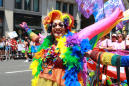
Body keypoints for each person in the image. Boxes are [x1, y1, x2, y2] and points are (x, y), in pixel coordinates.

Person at [19, 8, 124, 86]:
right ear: (51, 28)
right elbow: (36, 38)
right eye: (54, 25)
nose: (57, 27)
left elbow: (91, 53)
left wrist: (120, 60)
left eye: (61, 25)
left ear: (66, 27)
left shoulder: (74, 41)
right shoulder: (48, 42)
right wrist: (27, 29)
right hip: (42, 81)